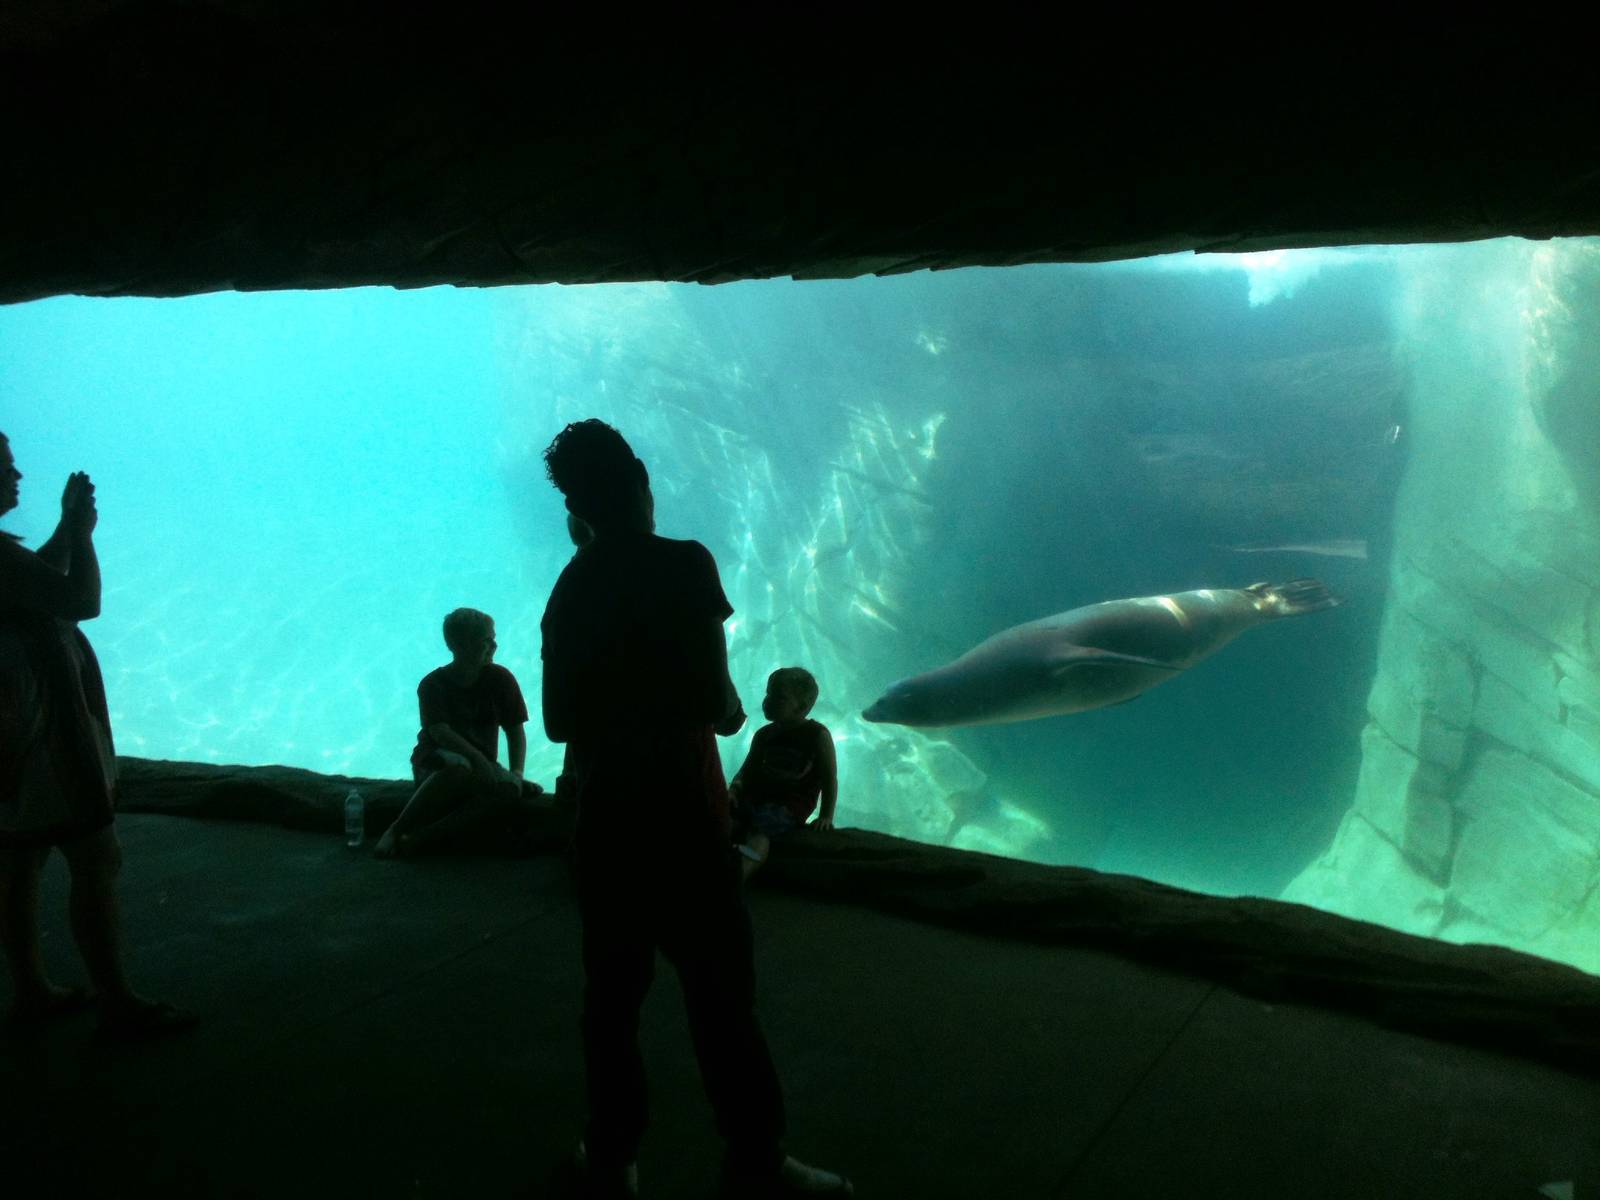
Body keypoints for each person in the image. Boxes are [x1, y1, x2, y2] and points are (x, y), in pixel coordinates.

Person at [540, 420, 851, 1199]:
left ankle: (613, 1163)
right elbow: (719, 707)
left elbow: (556, 724)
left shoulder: (571, 590)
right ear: (644, 484)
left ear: (575, 510)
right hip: (688, 820)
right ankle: (756, 1160)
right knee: (722, 1003)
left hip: (609, 823)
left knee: (610, 1005)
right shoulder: (685, 565)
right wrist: (723, 707)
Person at [0, 433, 196, 1041]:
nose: (18, 473)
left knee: (20, 857)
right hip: (42, 734)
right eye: (5, 466)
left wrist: (64, 527)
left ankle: (31, 988)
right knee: (96, 854)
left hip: (15, 734)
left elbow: (36, 576)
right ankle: (117, 1003)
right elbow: (81, 600)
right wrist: (83, 534)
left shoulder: (6, 556)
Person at [374, 607, 541, 858]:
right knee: (458, 767)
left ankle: (420, 840)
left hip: (480, 765)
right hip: (436, 765)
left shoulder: (501, 678)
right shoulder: (432, 685)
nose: (494, 646)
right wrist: (479, 760)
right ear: (461, 645)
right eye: (487, 640)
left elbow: (515, 731)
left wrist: (516, 773)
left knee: (509, 791)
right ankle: (396, 828)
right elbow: (440, 734)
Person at [729, 667, 838, 882]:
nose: (767, 701)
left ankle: (738, 876)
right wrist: (734, 789)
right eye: (768, 693)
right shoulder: (764, 734)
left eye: (778, 697)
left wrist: (826, 816)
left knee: (759, 833)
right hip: (757, 796)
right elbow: (747, 770)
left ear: (802, 707)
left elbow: (829, 779)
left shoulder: (817, 736)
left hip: (790, 805)